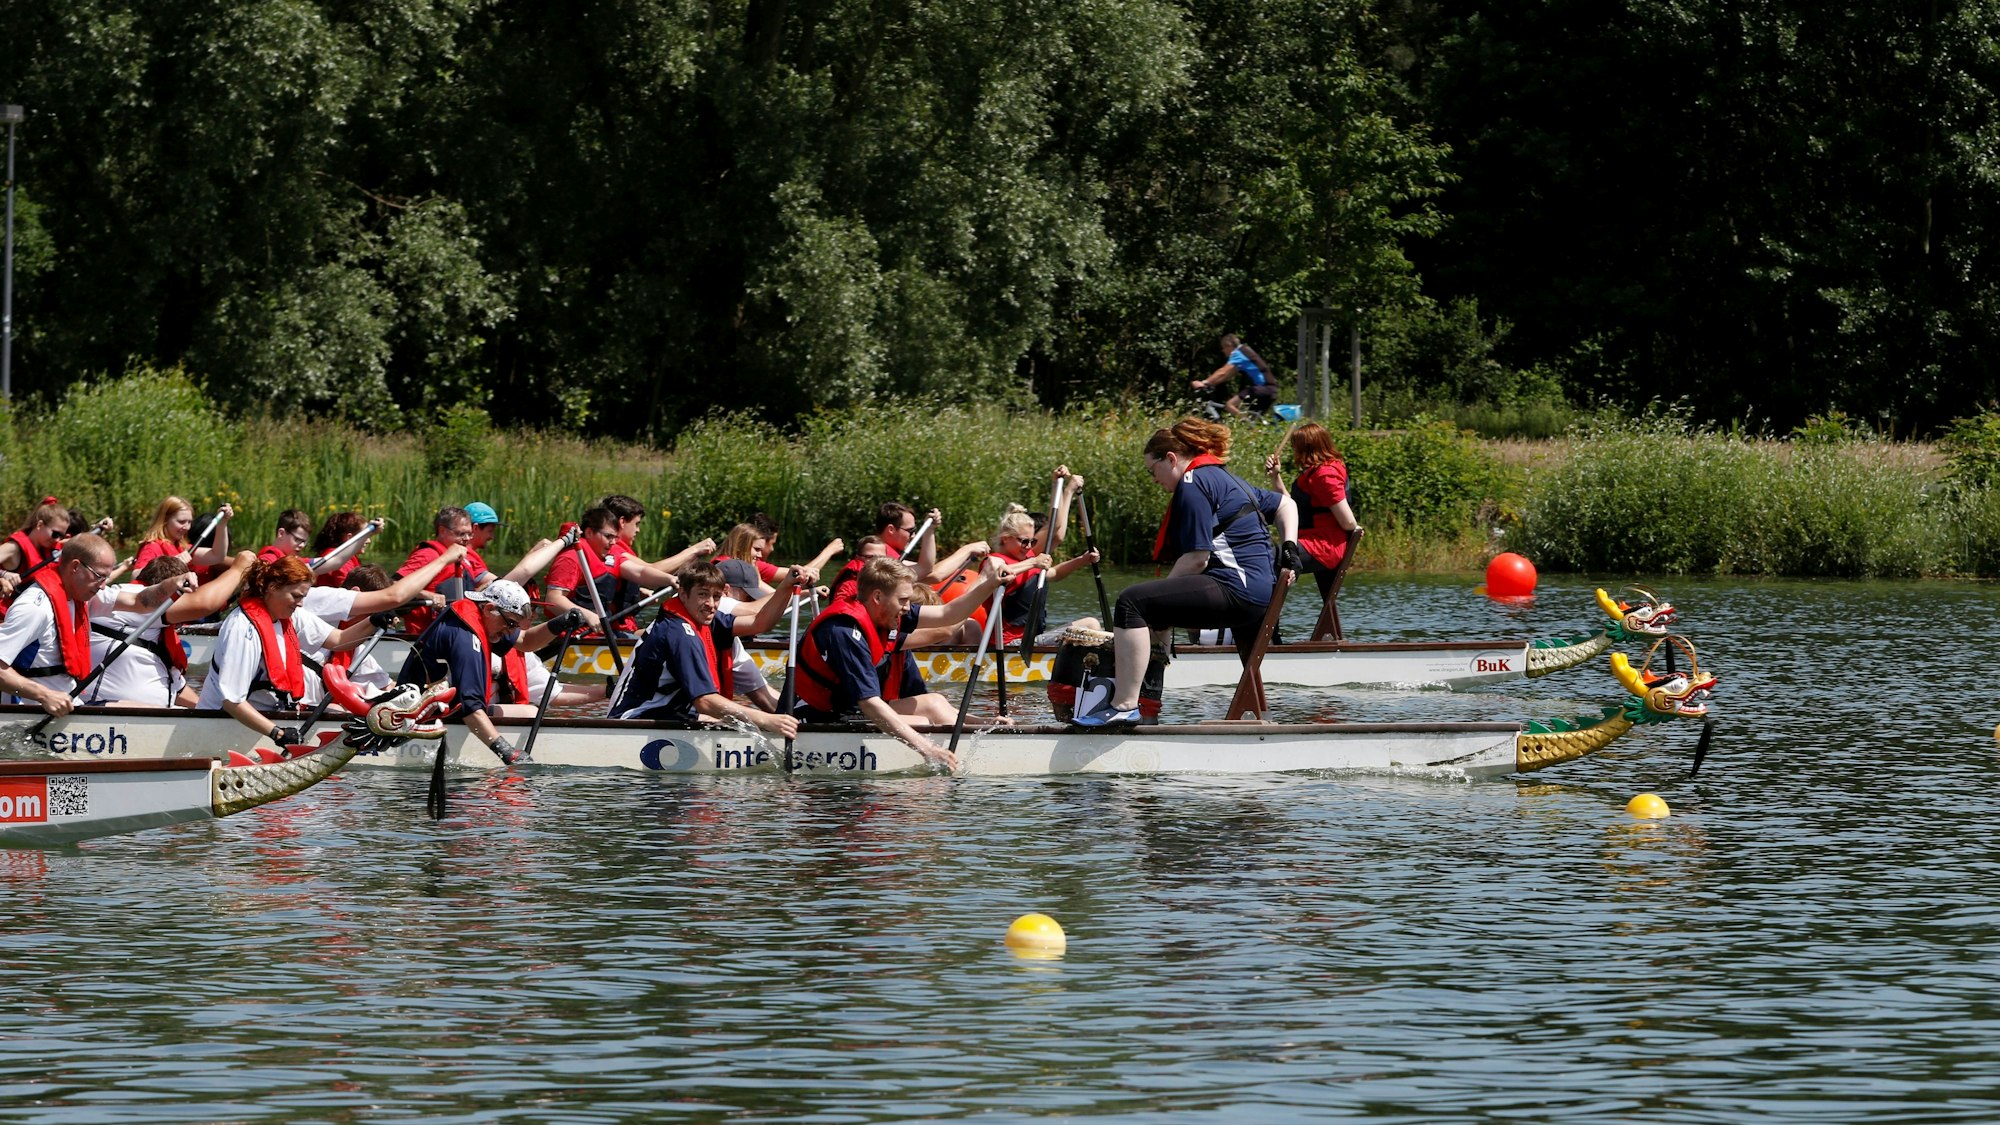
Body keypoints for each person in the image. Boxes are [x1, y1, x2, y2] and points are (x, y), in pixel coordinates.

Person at [1071, 418, 1301, 727]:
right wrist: (1290, 549)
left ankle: (1124, 705)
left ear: (1171, 459)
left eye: (1153, 471)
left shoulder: (1194, 484)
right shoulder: (1228, 478)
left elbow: (1196, 559)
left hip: (1236, 591)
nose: (1155, 480)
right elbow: (1287, 505)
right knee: (1152, 604)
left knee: (1132, 602)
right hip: (1261, 597)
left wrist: (1157, 610)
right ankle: (1257, 715)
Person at [794, 555, 1007, 769]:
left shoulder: (884, 612)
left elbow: (947, 614)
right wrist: (927, 749)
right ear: (878, 597)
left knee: (933, 701)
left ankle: (989, 731)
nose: (907, 607)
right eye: (903, 600)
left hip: (848, 709)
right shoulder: (844, 632)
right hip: (817, 717)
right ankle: (959, 756)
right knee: (923, 724)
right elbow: (869, 703)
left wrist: (989, 583)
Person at [0, 533, 198, 716]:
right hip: (32, 714)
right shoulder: (34, 608)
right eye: (99, 576)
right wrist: (44, 695)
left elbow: (141, 602)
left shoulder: (84, 597)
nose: (104, 585)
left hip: (69, 708)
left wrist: (172, 583)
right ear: (75, 567)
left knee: (152, 712)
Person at [394, 579, 581, 765]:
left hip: (439, 708)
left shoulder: (482, 616)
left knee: (527, 711)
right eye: (510, 623)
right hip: (417, 717)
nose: (509, 632)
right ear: (489, 607)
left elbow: (525, 642)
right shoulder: (465, 638)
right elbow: (471, 709)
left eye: (514, 626)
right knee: (529, 712)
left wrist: (560, 624)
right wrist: (507, 752)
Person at [608, 561, 805, 736]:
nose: (711, 604)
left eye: (716, 596)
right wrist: (767, 720)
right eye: (703, 595)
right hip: (633, 723)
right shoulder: (678, 633)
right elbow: (705, 702)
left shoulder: (705, 620)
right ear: (683, 594)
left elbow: (759, 623)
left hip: (666, 717)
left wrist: (786, 587)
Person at [198, 556, 374, 746]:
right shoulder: (243, 628)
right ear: (273, 587)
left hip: (270, 716)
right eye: (296, 596)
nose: (300, 603)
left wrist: (374, 621)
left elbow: (339, 640)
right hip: (224, 721)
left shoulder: (291, 615)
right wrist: (277, 734)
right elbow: (232, 701)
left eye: (303, 597)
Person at [86, 551, 255, 707]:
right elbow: (204, 603)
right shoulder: (135, 599)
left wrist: (209, 713)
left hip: (147, 716)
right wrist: (239, 568)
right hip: (112, 717)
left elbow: (177, 688)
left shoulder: (152, 628)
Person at [543, 506, 708, 633]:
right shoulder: (570, 559)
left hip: (600, 632)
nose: (613, 543)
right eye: (608, 536)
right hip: (571, 636)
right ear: (589, 532)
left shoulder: (610, 556)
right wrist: (587, 615)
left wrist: (669, 579)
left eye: (615, 537)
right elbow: (553, 600)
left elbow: (641, 572)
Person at [1265, 423, 1362, 603]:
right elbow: (1290, 508)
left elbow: (1348, 522)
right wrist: (1275, 476)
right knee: (1265, 556)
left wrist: (1355, 528)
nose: (1294, 451)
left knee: (1264, 557)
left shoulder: (1325, 475)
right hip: (1314, 542)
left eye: (1296, 447)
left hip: (1324, 545)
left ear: (1306, 448)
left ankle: (1266, 626)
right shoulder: (1316, 472)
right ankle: (1267, 626)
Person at [132, 497, 234, 581]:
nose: (187, 527)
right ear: (165, 520)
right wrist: (170, 564)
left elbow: (217, 555)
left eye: (189, 522)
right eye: (181, 522)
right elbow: (135, 575)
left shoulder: (181, 547)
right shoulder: (152, 546)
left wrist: (222, 524)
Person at [0, 498, 76, 601]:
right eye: (55, 534)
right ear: (40, 525)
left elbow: (80, 542)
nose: (57, 539)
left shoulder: (50, 547)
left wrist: (99, 528)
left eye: (61, 536)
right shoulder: (14, 547)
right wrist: (3, 575)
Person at [1191, 334, 1278, 419]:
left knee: (1229, 405)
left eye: (1223, 347)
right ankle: (1252, 428)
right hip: (1269, 389)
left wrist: (1204, 382)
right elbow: (1227, 375)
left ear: (1229, 345)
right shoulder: (1244, 352)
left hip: (1264, 388)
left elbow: (1223, 372)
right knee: (1251, 417)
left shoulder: (1239, 353)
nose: (1223, 350)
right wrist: (1211, 384)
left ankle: (1246, 425)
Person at [874, 501, 942, 579]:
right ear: (891, 529)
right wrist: (929, 529)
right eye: (910, 531)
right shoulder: (878, 557)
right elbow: (926, 569)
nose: (913, 536)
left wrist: (930, 527)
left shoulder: (883, 553)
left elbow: (925, 567)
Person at [310, 511, 367, 587]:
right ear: (349, 537)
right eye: (365, 536)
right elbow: (349, 590)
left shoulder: (339, 555)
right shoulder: (342, 560)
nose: (368, 541)